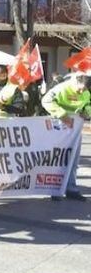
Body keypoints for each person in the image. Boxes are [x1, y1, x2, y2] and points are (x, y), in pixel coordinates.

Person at [41, 72, 90, 202]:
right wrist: (63, 115)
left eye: (84, 89)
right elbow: (46, 100)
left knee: (73, 159)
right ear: (76, 82)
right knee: (59, 158)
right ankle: (55, 189)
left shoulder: (86, 91)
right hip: (59, 127)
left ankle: (71, 189)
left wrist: (87, 112)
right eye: (80, 88)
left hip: (74, 128)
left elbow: (88, 105)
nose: (81, 91)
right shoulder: (62, 88)